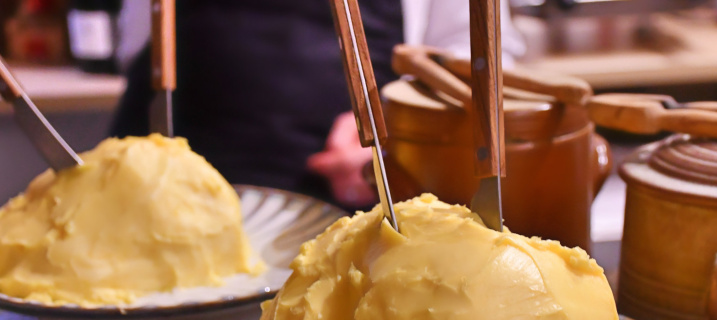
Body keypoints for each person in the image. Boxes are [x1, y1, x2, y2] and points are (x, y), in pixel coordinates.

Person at [111, 0, 524, 210]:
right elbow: (141, 47)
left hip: (353, 201)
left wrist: (400, 129)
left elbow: (483, 57)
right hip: (167, 194)